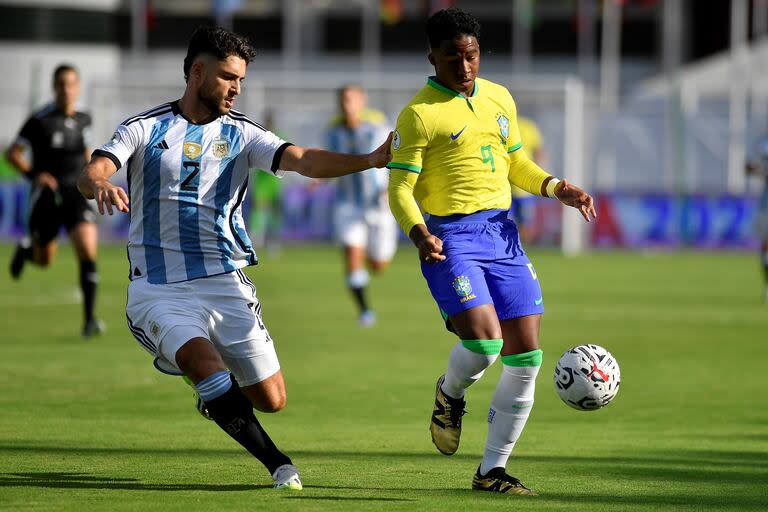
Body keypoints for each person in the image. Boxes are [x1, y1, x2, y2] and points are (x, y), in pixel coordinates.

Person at [77, 26, 392, 490]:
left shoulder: (243, 134)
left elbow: (302, 159)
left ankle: (213, 394)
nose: (236, 88)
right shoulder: (144, 128)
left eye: (240, 79)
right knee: (204, 367)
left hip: (225, 281)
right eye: (227, 77)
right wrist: (99, 184)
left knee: (271, 398)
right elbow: (94, 170)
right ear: (198, 72)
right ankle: (279, 464)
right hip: (158, 289)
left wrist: (368, 159)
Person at [387, 8, 596, 495]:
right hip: (450, 238)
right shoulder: (419, 114)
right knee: (484, 344)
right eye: (453, 57)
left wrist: (554, 186)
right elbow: (399, 189)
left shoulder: (500, 97)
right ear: (432, 57)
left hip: (502, 235)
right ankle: (450, 393)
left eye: (472, 55)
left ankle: (491, 471)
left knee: (526, 357)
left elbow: (515, 162)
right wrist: (419, 234)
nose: (464, 66)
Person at [6, 64, 103, 338]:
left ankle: (89, 321)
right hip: (48, 197)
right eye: (61, 83)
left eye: (71, 83)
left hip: (75, 194)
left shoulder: (85, 118)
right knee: (44, 260)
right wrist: (34, 175)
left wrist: (94, 177)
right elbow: (12, 153)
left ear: (78, 87)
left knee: (87, 249)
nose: (66, 89)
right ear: (54, 87)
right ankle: (27, 251)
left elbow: (87, 153)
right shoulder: (40, 120)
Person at [327, 84, 398, 326]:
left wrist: (391, 185)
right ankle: (365, 311)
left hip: (377, 206)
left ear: (362, 101)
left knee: (378, 265)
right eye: (343, 99)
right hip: (347, 205)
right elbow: (329, 161)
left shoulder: (378, 128)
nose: (347, 103)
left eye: (352, 99)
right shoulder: (333, 132)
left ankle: (370, 253)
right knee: (351, 255)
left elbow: (396, 158)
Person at [249, 110, 285, 251]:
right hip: (261, 184)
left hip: (274, 184)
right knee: (258, 212)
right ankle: (255, 240)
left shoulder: (280, 137)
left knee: (274, 215)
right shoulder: (260, 136)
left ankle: (273, 242)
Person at [510, 116, 545, 243]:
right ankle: (514, 247)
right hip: (507, 186)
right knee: (507, 221)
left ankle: (524, 248)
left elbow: (538, 151)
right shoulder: (503, 124)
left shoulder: (528, 126)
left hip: (524, 187)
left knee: (526, 222)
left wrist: (538, 176)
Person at [745, 138, 768, 302]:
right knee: (765, 247)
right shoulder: (764, 143)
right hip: (765, 207)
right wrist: (752, 168)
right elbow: (751, 169)